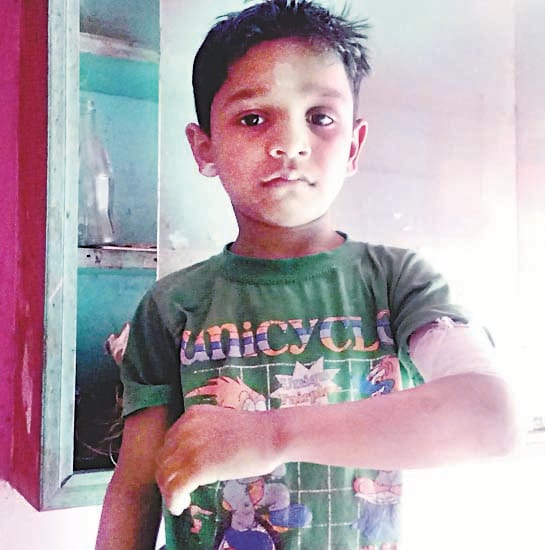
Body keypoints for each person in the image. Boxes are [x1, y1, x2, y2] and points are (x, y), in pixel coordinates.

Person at [96, 1, 518, 549]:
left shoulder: (398, 282)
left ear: (353, 146)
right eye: (253, 118)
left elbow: (489, 416)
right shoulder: (171, 305)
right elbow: (135, 489)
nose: (291, 144)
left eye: (320, 117)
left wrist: (268, 435)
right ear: (205, 148)